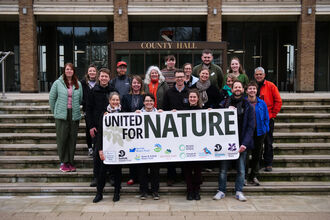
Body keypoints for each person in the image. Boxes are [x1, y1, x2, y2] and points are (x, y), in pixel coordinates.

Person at [213, 80, 255, 202]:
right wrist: (225, 109)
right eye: (235, 87)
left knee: (241, 170)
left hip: (241, 143)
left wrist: (245, 144)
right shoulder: (225, 102)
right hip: (226, 142)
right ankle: (221, 190)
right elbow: (215, 113)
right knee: (223, 169)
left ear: (243, 89)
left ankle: (239, 191)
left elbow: (251, 127)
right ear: (232, 89)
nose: (237, 89)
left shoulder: (248, 105)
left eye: (239, 87)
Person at [86, 68, 117, 187]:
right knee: (97, 154)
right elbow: (88, 110)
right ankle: (96, 177)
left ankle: (112, 176)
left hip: (112, 129)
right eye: (102, 76)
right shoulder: (93, 91)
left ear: (109, 78)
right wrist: (91, 126)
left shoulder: (113, 91)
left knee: (112, 152)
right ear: (99, 78)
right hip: (97, 128)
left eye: (106, 76)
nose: (104, 78)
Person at [49, 62, 83, 172]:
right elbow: (52, 99)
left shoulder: (78, 83)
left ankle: (70, 162)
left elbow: (80, 98)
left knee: (72, 139)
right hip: (61, 115)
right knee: (62, 139)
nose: (69, 71)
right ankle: (63, 162)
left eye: (71, 69)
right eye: (67, 69)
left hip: (74, 114)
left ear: (73, 71)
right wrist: (56, 111)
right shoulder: (57, 83)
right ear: (64, 70)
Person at [93, 92, 122, 203]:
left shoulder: (123, 113)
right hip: (106, 148)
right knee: (102, 172)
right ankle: (99, 193)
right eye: (113, 100)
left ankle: (117, 193)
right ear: (109, 101)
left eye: (117, 100)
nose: (115, 102)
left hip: (119, 147)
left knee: (117, 172)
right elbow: (100, 133)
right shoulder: (104, 114)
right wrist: (100, 149)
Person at [163, 69, 189, 186]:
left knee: (186, 151)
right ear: (174, 79)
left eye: (181, 77)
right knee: (171, 152)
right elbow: (164, 110)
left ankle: (185, 175)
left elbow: (195, 107)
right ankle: (171, 176)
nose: (179, 79)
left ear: (185, 78)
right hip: (172, 128)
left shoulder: (190, 92)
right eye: (177, 77)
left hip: (187, 128)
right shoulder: (169, 92)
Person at [254, 67, 282, 172]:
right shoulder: (253, 86)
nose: (259, 76)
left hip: (267, 119)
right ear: (254, 75)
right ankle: (258, 162)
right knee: (257, 142)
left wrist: (273, 114)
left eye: (260, 74)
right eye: (257, 74)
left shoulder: (271, 86)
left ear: (264, 75)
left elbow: (278, 101)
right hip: (255, 119)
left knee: (268, 141)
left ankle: (268, 163)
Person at [136, 94, 162, 200]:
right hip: (142, 147)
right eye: (147, 101)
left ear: (154, 102)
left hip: (155, 147)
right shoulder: (138, 114)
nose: (149, 103)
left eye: (151, 101)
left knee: (155, 171)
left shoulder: (159, 113)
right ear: (143, 102)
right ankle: (143, 191)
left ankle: (155, 191)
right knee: (142, 171)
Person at [121, 75, 145, 186]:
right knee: (132, 152)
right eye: (134, 83)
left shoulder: (145, 97)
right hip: (130, 129)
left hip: (143, 130)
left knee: (142, 152)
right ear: (131, 85)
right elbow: (123, 112)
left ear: (141, 85)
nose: (136, 85)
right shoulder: (125, 97)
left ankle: (141, 177)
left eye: (138, 83)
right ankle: (132, 176)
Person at [245, 81, 269, 186]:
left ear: (256, 90)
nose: (252, 90)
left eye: (254, 89)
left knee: (257, 155)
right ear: (246, 91)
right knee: (245, 156)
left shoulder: (262, 103)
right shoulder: (244, 102)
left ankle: (253, 176)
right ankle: (244, 176)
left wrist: (265, 128)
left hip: (259, 132)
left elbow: (266, 118)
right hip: (247, 133)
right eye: (250, 88)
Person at [183, 89, 203, 200]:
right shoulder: (183, 110)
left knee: (197, 170)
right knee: (187, 169)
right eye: (190, 97)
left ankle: (196, 190)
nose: (192, 99)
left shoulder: (202, 111)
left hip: (199, 146)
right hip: (186, 146)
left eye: (194, 97)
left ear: (198, 98)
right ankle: (189, 190)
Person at [80, 64, 98, 157]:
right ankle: (90, 147)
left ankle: (96, 146)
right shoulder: (83, 83)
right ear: (87, 72)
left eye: (93, 71)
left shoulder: (98, 82)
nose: (92, 72)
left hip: (97, 109)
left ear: (96, 72)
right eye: (90, 71)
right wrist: (84, 103)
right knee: (88, 127)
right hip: (87, 108)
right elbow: (80, 95)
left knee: (96, 127)